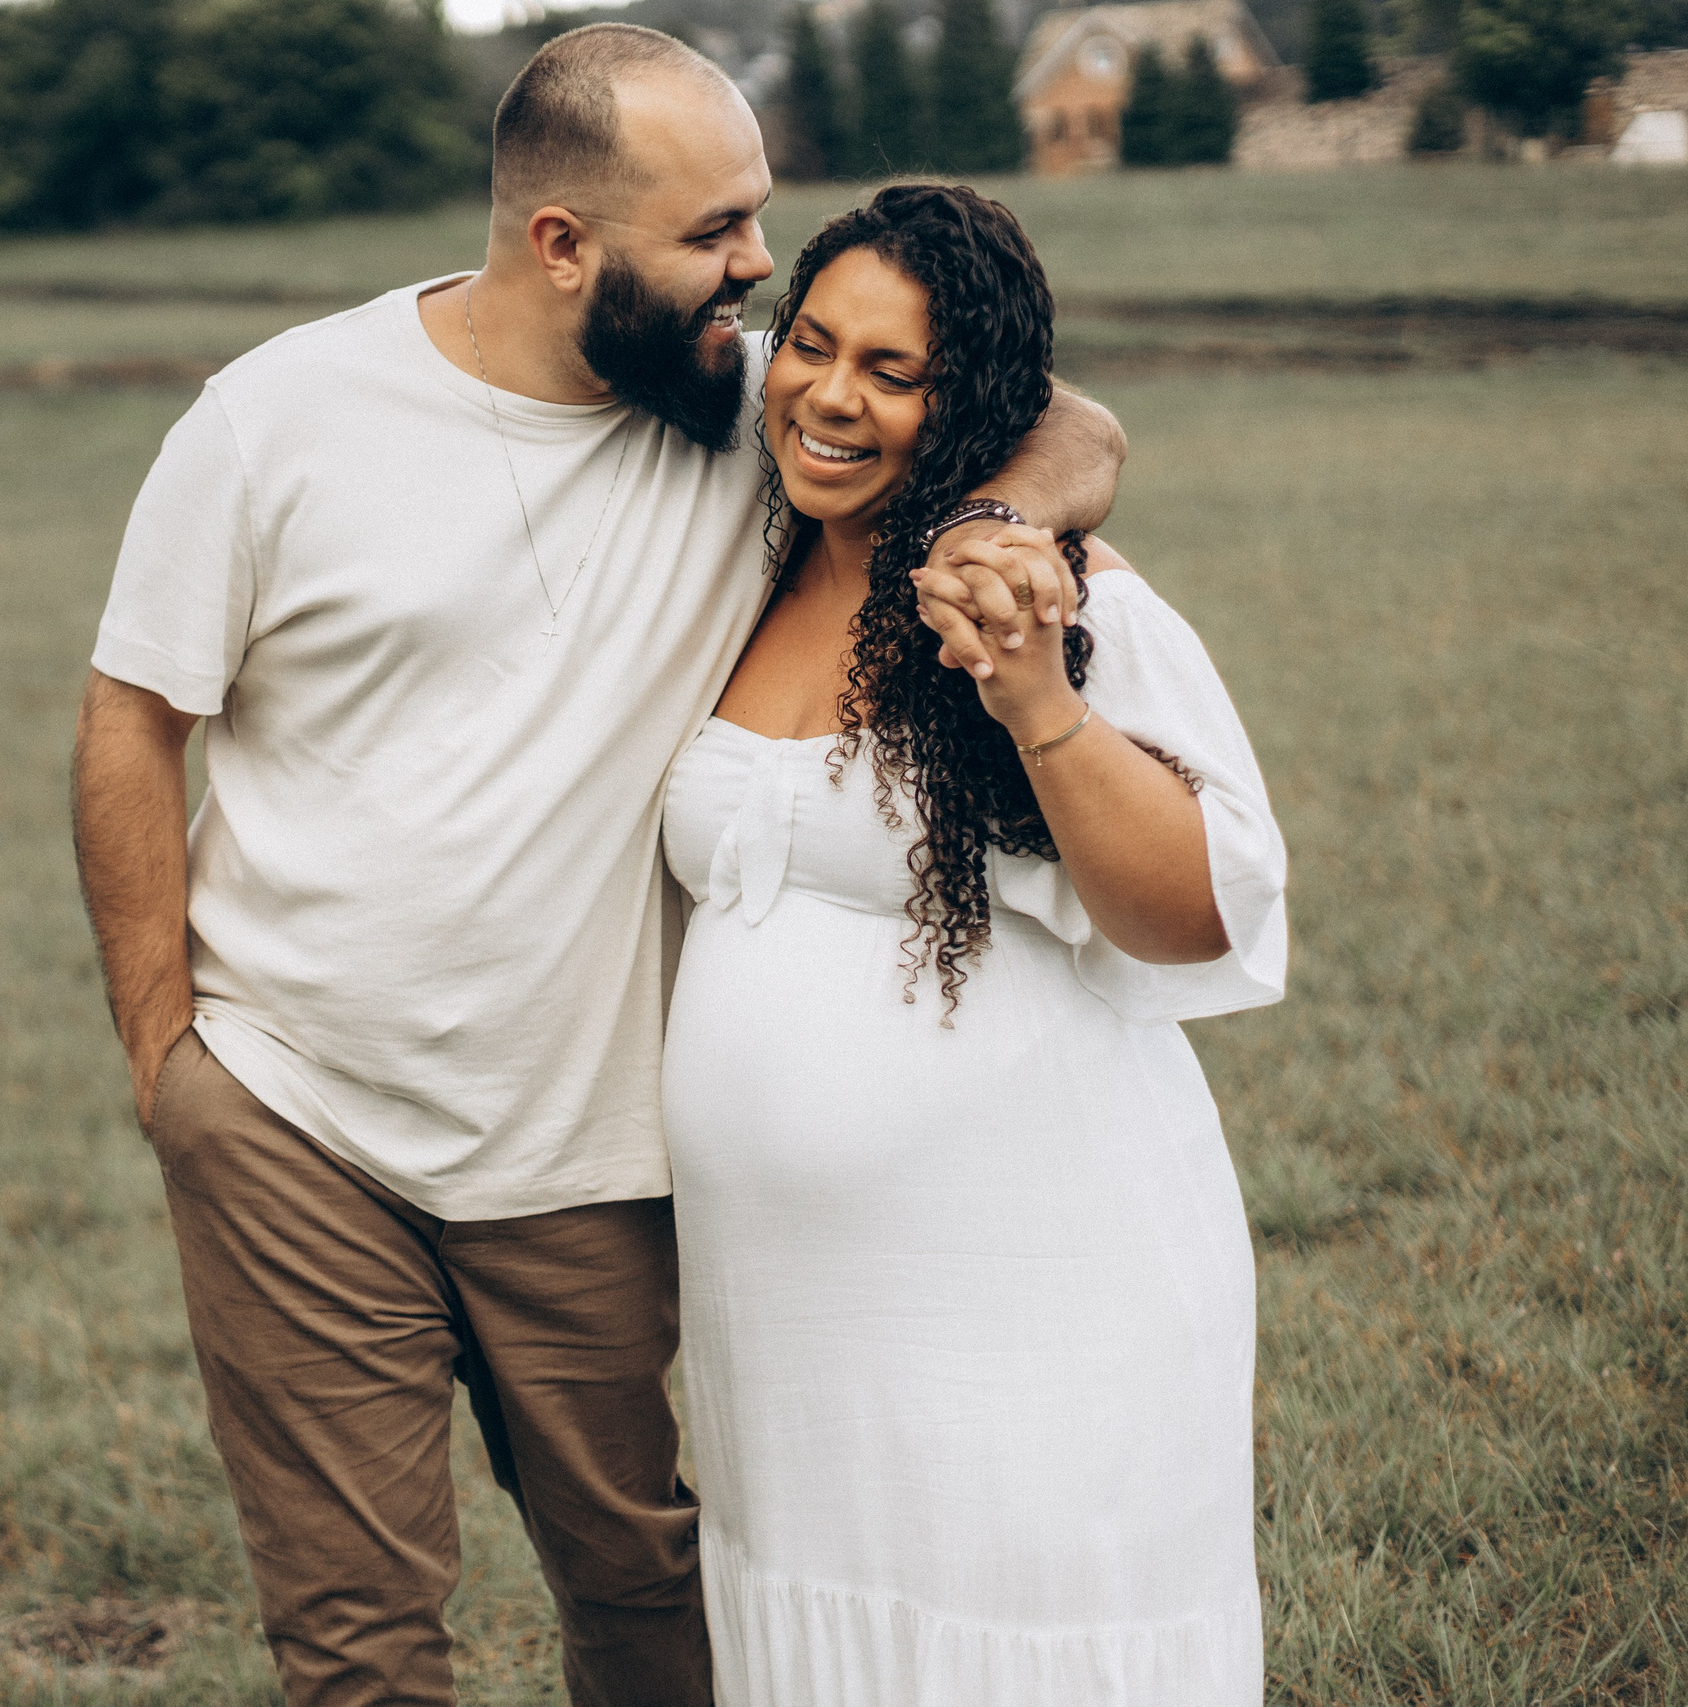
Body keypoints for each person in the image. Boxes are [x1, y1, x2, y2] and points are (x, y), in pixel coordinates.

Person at [70, 28, 1126, 1707]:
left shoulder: (741, 402)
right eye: (716, 231)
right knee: (355, 1641)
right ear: (563, 243)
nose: (758, 269)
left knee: (645, 1590)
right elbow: (133, 718)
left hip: (592, 1141)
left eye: (757, 219)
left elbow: (1067, 417)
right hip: (292, 1117)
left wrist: (1003, 521)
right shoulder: (277, 420)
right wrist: (162, 1057)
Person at [659, 184, 1286, 1705]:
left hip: (1030, 1309)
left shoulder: (1044, 600)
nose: (832, 395)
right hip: (790, 1334)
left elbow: (1202, 909)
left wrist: (1038, 703)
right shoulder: (742, 551)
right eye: (813, 345)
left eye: (895, 371)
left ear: (971, 401)